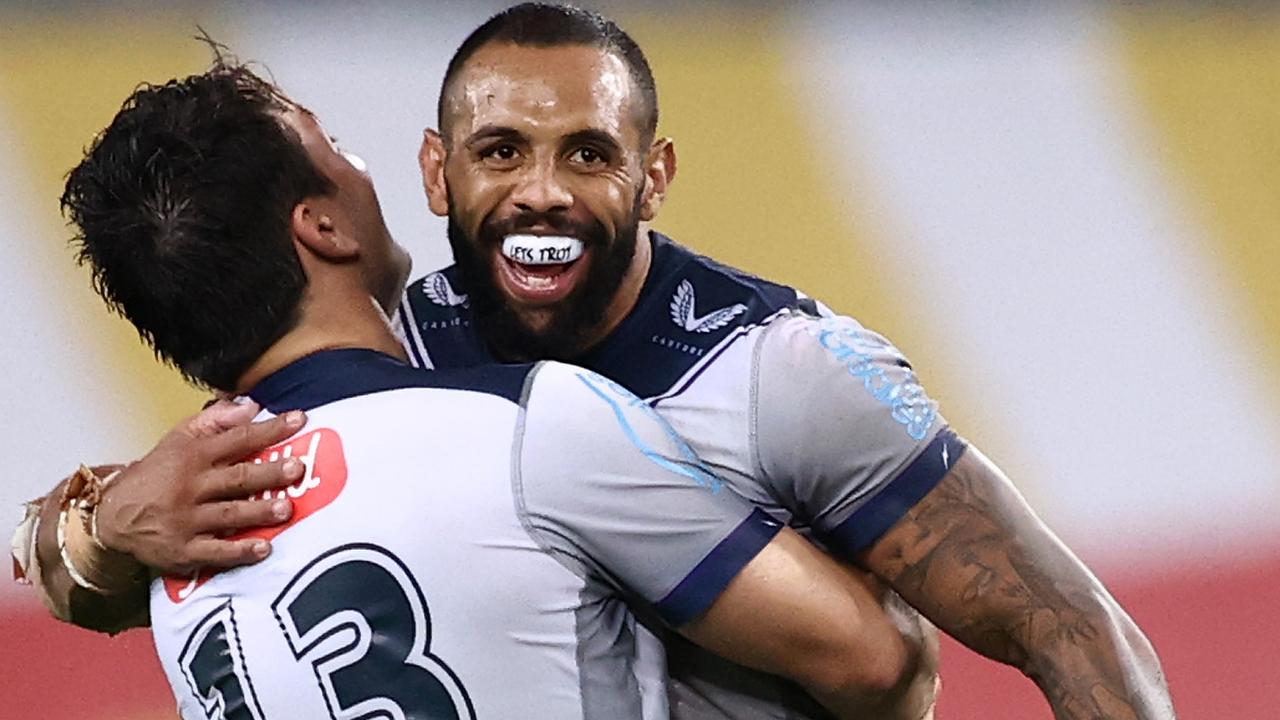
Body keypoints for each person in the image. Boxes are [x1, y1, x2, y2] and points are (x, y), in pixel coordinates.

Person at [15, 3, 1175, 719]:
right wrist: (99, 528)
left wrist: (93, 535)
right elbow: (84, 570)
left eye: (586, 152)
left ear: (652, 175)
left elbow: (1068, 633)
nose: (540, 191)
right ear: (435, 176)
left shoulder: (783, 375)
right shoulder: (398, 360)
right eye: (499, 150)